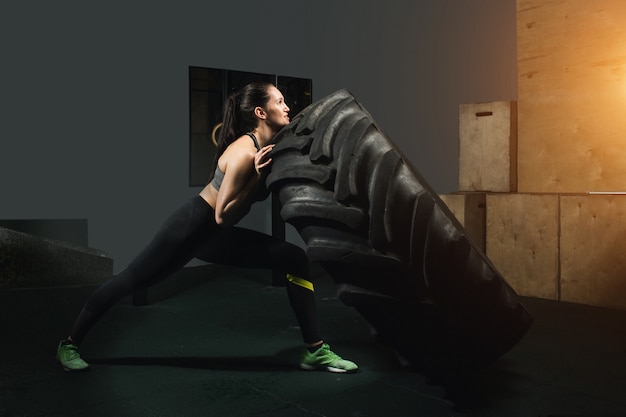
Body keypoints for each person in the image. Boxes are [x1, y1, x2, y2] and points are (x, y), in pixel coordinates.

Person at [56, 82, 358, 374]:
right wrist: (254, 177)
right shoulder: (244, 153)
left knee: (294, 258)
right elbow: (222, 216)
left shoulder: (267, 147)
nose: (287, 107)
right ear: (260, 112)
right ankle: (69, 344)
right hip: (192, 226)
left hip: (214, 237)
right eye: (279, 102)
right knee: (131, 281)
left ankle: (314, 349)